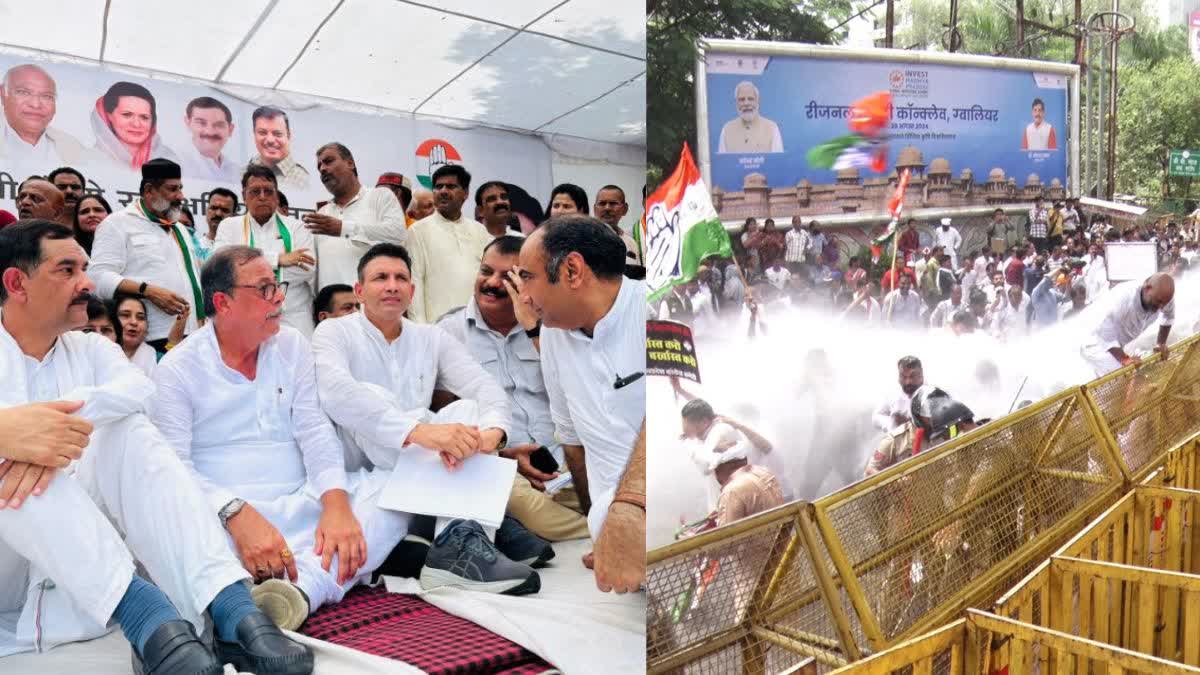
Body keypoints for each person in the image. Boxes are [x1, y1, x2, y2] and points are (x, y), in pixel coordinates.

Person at [0, 221, 312, 673]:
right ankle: (143, 611)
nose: (88, 283)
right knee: (12, 461)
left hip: (79, 574)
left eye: (85, 268)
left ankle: (230, 611)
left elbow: (138, 391)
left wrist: (41, 425)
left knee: (130, 431)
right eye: (67, 270)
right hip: (8, 568)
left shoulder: (90, 350)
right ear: (16, 283)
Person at [150, 246, 411, 632]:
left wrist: (336, 506)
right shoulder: (176, 369)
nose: (279, 298)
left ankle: (300, 589)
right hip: (225, 522)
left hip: (302, 503)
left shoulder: (292, 345)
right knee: (179, 536)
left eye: (278, 286)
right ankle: (310, 579)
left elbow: (315, 430)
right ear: (223, 302)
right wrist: (235, 513)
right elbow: (174, 469)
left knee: (397, 492)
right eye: (265, 289)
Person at [310, 243, 544, 593]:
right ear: (359, 291)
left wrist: (493, 434)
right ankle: (473, 521)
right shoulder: (334, 332)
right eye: (380, 278)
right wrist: (420, 432)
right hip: (370, 470)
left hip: (430, 469)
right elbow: (337, 394)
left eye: (400, 278)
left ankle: (463, 534)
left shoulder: (430, 337)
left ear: (412, 291)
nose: (392, 285)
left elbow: (486, 388)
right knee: (371, 395)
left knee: (470, 413)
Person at [517, 215, 646, 592]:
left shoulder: (654, 309)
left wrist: (629, 509)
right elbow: (573, 441)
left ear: (572, 270)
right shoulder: (555, 335)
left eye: (527, 277)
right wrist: (601, 531)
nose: (522, 296)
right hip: (615, 541)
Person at [439, 236, 591, 541]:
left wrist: (533, 326)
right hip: (502, 463)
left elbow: (580, 387)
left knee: (614, 489)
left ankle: (599, 520)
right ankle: (601, 529)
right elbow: (442, 414)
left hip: (566, 460)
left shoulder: (555, 326)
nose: (493, 283)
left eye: (508, 277)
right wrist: (502, 453)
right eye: (486, 272)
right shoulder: (447, 332)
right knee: (531, 510)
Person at [89, 158, 203, 352]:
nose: (180, 196)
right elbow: (97, 279)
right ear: (150, 190)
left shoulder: (180, 229)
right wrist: (148, 291)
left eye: (180, 188)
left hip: (193, 336)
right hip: (150, 339)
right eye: (172, 189)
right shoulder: (117, 223)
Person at [214, 165, 317, 337]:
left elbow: (307, 269)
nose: (262, 197)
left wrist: (246, 273)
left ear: (276, 196)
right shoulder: (230, 226)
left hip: (292, 319)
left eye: (268, 191)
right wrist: (278, 259)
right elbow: (222, 265)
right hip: (246, 319)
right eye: (255, 191)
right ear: (244, 197)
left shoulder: (297, 227)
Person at [305, 142, 407, 290]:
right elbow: (308, 261)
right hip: (333, 308)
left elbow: (398, 235)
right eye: (319, 166)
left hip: (372, 306)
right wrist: (291, 258)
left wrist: (344, 228)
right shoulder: (321, 215)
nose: (322, 169)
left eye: (328, 161)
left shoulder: (380, 196)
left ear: (350, 163)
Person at [407, 164, 493, 323]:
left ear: (465, 193)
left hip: (480, 324)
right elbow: (415, 282)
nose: (443, 191)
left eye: (451, 186)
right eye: (438, 187)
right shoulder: (417, 231)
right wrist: (420, 331)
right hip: (437, 327)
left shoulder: (480, 231)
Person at [866, 386, 977, 476]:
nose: (934, 416)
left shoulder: (950, 428)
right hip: (907, 498)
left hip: (942, 494)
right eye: (930, 412)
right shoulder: (896, 440)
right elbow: (870, 470)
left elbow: (973, 431)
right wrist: (894, 482)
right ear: (918, 415)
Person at [1080, 274, 1175, 376]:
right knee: (1125, 376)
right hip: (1094, 341)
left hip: (1115, 342)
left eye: (1164, 304)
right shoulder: (1123, 297)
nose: (1161, 307)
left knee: (1130, 373)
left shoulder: (1163, 297)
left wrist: (1161, 343)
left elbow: (1168, 317)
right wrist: (1124, 359)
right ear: (1147, 288)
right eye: (1159, 302)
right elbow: (1104, 334)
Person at [0, 64, 91, 164]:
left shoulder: (74, 150)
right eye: (23, 92)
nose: (35, 105)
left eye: (47, 96)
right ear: (3, 93)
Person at [91, 81, 177, 170]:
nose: (136, 124)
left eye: (144, 117)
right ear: (109, 116)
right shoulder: (92, 159)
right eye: (127, 114)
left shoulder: (170, 160)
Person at [246, 106, 309, 190]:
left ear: (288, 136)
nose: (270, 140)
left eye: (277, 134)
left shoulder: (303, 180)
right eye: (262, 133)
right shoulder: (243, 172)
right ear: (254, 134)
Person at [180, 96, 239, 183]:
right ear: (188, 123)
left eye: (219, 125)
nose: (210, 132)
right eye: (201, 123)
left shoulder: (237, 172)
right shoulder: (175, 163)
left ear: (230, 130)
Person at [717, 81, 783, 154]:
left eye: (750, 99)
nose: (746, 103)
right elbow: (723, 163)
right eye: (742, 99)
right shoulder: (726, 130)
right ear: (736, 103)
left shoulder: (772, 128)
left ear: (757, 101)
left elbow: (777, 164)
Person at [873, 356, 924, 433]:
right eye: (903, 376)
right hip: (899, 442)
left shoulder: (934, 394)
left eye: (912, 376)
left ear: (921, 374)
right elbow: (876, 417)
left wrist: (910, 424)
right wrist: (892, 422)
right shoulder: (892, 394)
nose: (908, 382)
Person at [113, 293, 160, 377]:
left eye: (141, 318)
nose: (134, 322)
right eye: (125, 315)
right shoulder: (98, 357)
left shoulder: (161, 360)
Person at [594, 185, 642, 266]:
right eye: (602, 203)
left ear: (625, 209)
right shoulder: (583, 239)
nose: (607, 208)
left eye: (613, 203)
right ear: (595, 209)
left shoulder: (631, 243)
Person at [198, 187, 239, 262]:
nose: (218, 213)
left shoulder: (240, 248)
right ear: (207, 210)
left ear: (234, 215)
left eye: (225, 210)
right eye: (214, 208)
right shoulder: (195, 246)